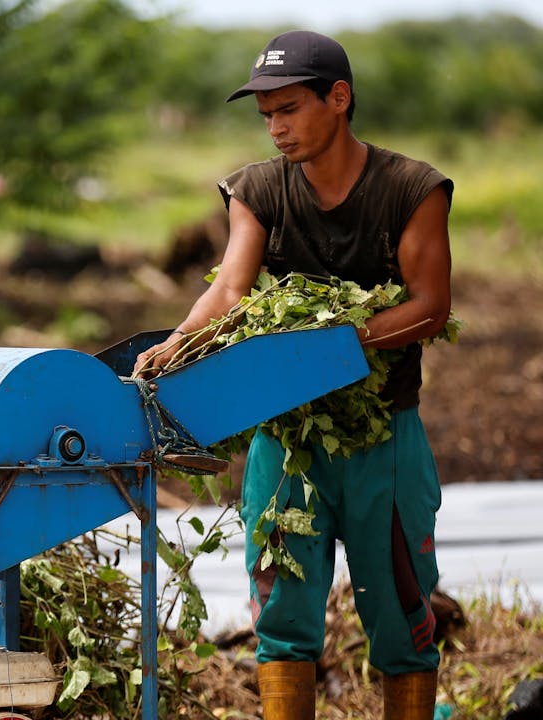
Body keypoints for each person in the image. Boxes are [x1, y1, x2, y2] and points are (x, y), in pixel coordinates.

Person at [133, 31, 453, 720]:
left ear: (338, 99)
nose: (276, 127)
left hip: (383, 441)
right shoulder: (257, 189)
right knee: (282, 613)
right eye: (266, 115)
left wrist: (338, 347)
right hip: (290, 440)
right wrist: (180, 343)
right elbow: (230, 291)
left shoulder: (410, 188)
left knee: (403, 614)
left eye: (289, 109)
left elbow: (430, 305)